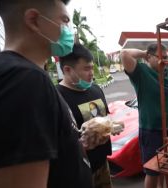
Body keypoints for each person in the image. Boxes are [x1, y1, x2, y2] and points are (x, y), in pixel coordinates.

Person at [0, 0, 93, 188]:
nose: (69, 31)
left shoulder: (20, 74)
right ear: (34, 20)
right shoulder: (23, 79)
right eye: (64, 21)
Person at [120, 43, 168, 188]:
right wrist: (145, 53)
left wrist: (161, 57)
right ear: (149, 57)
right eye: (161, 58)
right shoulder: (141, 72)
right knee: (152, 171)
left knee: (167, 168)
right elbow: (124, 54)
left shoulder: (166, 70)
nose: (164, 61)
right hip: (151, 131)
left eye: (165, 58)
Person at [56, 43, 113, 188]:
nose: (92, 73)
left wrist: (111, 126)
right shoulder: (56, 98)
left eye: (92, 67)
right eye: (86, 69)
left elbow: (105, 119)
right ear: (67, 70)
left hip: (102, 165)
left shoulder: (95, 89)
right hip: (76, 173)